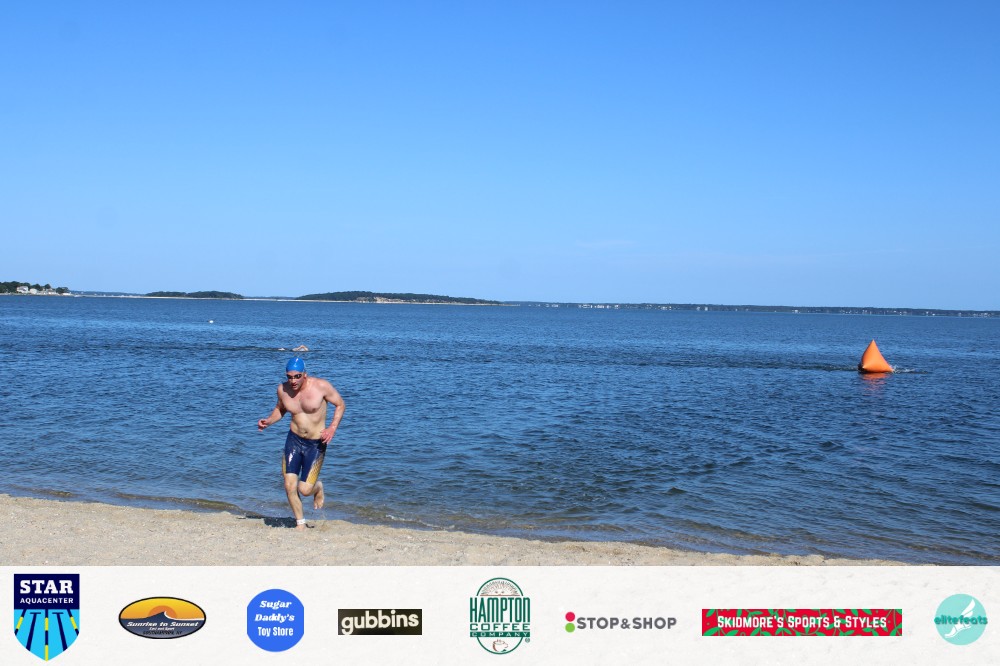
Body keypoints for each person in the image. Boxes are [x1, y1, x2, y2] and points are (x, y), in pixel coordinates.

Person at [257, 357, 345, 530]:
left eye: (297, 376)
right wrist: (269, 421)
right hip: (294, 440)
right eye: (290, 377)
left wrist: (332, 428)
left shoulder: (321, 386)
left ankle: (318, 488)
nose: (293, 380)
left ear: (305, 374)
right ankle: (300, 523)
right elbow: (280, 409)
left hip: (316, 443)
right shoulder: (283, 389)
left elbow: (340, 404)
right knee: (289, 485)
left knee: (304, 490)